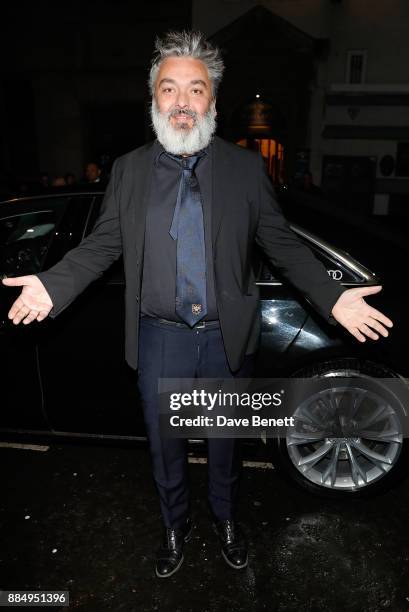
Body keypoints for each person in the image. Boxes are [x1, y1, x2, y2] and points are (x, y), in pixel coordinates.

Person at [2, 30, 393, 579]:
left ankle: (227, 519)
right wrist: (54, 283)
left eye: (195, 90)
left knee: (225, 447)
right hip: (159, 336)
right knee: (165, 449)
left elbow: (279, 242)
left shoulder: (245, 170)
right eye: (169, 89)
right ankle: (173, 525)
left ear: (212, 100)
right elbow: (105, 241)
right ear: (154, 99)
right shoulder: (130, 170)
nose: (182, 102)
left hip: (222, 337)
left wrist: (332, 295)